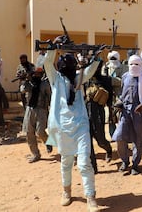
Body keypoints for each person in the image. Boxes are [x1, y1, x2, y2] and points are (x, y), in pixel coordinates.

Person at [44, 41, 102, 211]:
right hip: (62, 128)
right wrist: (52, 48)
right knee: (66, 162)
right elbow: (48, 63)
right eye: (65, 64)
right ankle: (66, 192)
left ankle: (90, 197)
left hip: (81, 126)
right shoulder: (55, 79)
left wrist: (96, 57)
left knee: (84, 163)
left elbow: (90, 71)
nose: (67, 67)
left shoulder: (78, 78)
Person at [111, 55, 142, 175]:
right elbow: (122, 94)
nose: (134, 67)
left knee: (138, 139)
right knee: (120, 137)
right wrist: (118, 104)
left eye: (136, 64)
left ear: (140, 65)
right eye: (131, 64)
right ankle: (125, 161)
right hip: (125, 111)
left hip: (139, 112)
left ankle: (135, 165)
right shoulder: (125, 76)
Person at [85, 60, 113, 173]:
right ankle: (93, 167)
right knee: (88, 141)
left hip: (98, 112)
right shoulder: (85, 79)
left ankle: (108, 149)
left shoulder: (105, 80)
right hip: (85, 112)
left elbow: (109, 99)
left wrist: (111, 114)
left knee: (100, 139)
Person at [22, 67, 52, 163]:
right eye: (35, 74)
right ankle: (35, 154)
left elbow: (50, 96)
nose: (36, 75)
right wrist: (26, 80)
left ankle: (48, 142)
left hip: (41, 110)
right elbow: (22, 90)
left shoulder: (44, 84)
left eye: (39, 74)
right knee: (29, 132)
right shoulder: (29, 83)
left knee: (40, 132)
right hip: (29, 109)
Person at [101, 50, 128, 137]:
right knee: (110, 117)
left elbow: (124, 81)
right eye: (111, 58)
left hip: (120, 95)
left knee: (121, 116)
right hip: (108, 96)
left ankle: (122, 134)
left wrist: (110, 80)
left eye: (114, 58)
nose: (113, 60)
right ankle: (113, 134)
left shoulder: (124, 68)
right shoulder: (105, 67)